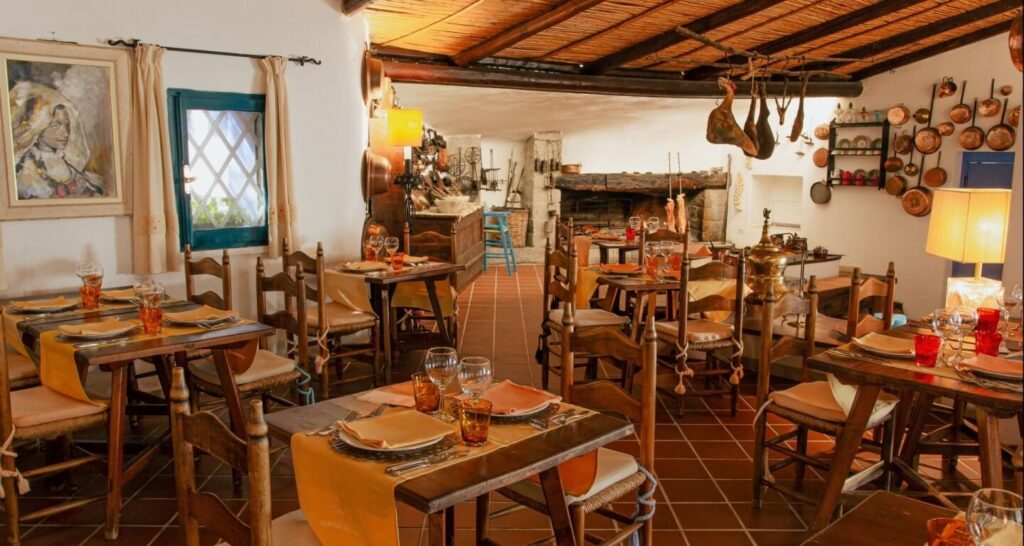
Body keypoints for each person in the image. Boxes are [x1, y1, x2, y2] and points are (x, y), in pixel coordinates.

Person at [9, 81, 104, 199]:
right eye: (55, 125)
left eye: (67, 125)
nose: (65, 133)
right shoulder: (28, 169)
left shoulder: (64, 163)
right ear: (40, 126)